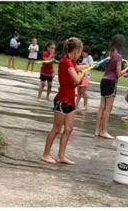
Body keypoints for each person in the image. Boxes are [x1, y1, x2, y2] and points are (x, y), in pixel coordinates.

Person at [42, 37, 91, 165]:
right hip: (62, 100)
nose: (81, 53)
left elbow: (78, 67)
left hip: (70, 100)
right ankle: (46, 154)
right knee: (56, 128)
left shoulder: (72, 62)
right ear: (76, 50)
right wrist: (83, 73)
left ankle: (61, 156)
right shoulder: (66, 62)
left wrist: (89, 65)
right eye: (80, 50)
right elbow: (77, 79)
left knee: (69, 129)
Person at [95, 34, 128, 139]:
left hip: (104, 80)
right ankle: (104, 131)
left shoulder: (108, 53)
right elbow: (118, 74)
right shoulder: (118, 56)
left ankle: (97, 130)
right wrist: (127, 68)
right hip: (111, 82)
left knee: (102, 106)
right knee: (108, 108)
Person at [76, 46, 93, 111]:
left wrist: (84, 64)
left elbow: (91, 64)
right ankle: (76, 104)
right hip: (80, 75)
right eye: (82, 53)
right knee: (79, 91)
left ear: (87, 52)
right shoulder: (82, 58)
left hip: (86, 76)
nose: (82, 54)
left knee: (83, 91)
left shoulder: (89, 57)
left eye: (84, 53)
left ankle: (85, 106)